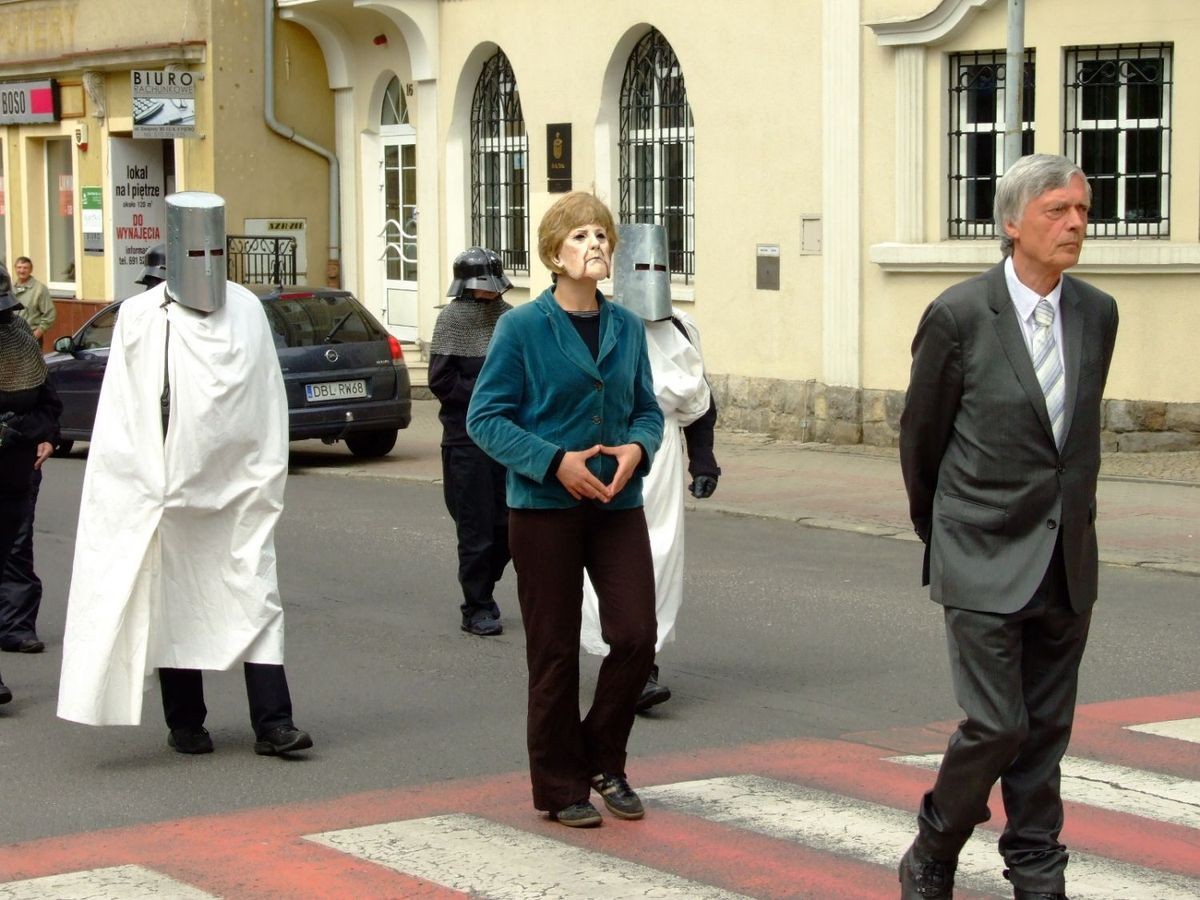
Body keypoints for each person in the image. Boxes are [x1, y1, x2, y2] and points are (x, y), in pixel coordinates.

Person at [897, 154, 1119, 900]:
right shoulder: (959, 315)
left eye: (1083, 211)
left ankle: (1036, 872)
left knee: (1046, 731)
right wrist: (949, 536)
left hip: (1065, 558)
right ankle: (934, 845)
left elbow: (1069, 442)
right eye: (1058, 210)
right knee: (997, 724)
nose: (1076, 224)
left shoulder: (1097, 312)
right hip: (979, 549)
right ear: (1011, 223)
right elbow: (920, 441)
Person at [58, 192, 312, 757]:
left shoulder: (246, 308)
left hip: (239, 486)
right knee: (175, 600)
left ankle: (274, 723)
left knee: (256, 598)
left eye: (213, 249)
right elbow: (127, 410)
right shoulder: (142, 317)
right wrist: (143, 485)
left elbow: (265, 396)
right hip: (167, 487)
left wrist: (265, 474)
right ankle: (185, 721)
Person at [467, 191, 664, 828]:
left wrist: (639, 446)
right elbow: (485, 418)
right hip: (545, 508)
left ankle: (604, 758)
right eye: (580, 237)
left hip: (616, 504)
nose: (595, 245)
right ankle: (561, 786)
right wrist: (556, 462)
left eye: (601, 235)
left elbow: (646, 409)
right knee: (552, 653)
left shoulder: (628, 326)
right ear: (555, 254)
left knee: (635, 635)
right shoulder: (520, 327)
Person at [580, 223, 719, 712]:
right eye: (641, 265)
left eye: (658, 265)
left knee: (660, 558)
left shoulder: (682, 327)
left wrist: (703, 460)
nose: (650, 275)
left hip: (661, 458)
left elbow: (701, 399)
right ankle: (622, 659)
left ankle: (646, 661)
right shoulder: (599, 321)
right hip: (603, 450)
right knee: (609, 560)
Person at [429, 247, 514, 637]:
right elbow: (442, 382)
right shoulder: (451, 321)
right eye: (482, 288)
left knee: (509, 529)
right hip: (466, 441)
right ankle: (476, 606)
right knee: (476, 530)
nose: (489, 295)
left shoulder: (510, 318)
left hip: (508, 439)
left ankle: (486, 587)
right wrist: (489, 390)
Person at [0, 264, 62, 703]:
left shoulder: (19, 338)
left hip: (17, 466)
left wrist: (43, 435)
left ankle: (17, 626)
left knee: (16, 546)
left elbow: (48, 404)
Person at [12, 257, 56, 347]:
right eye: (19, 267)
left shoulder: (39, 289)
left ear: (31, 270)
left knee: (30, 361)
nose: (22, 270)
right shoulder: (10, 288)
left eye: (25, 268)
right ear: (15, 269)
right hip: (11, 337)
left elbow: (50, 315)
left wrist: (35, 335)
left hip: (30, 337)